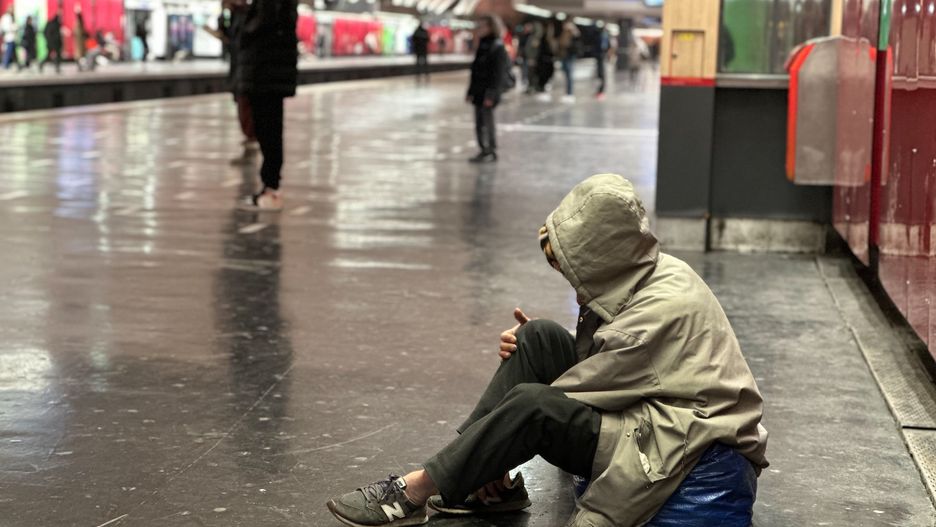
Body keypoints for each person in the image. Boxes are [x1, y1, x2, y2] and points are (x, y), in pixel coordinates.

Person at [325, 174, 769, 527]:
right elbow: (611, 362)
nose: (570, 279)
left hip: (677, 435)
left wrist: (500, 445)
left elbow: (564, 397)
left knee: (531, 407)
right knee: (536, 337)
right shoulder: (646, 270)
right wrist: (493, 444)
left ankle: (413, 492)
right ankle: (477, 481)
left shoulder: (658, 311)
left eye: (572, 268)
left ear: (600, 258)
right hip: (647, 404)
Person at [235, 0, 298, 211]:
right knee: (268, 130)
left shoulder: (269, 8)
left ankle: (271, 189)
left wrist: (242, 15)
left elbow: (261, 25)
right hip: (267, 73)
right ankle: (270, 187)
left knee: (268, 130)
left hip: (265, 73)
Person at [465, 14, 508, 164]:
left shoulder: (497, 47)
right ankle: (483, 149)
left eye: (482, 26)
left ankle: (490, 150)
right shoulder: (482, 45)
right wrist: (470, 92)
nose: (479, 29)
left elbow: (498, 74)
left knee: (486, 122)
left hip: (488, 92)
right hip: (478, 91)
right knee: (479, 123)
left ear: (491, 27)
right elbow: (475, 71)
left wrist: (491, 95)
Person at [551, 17, 580, 103]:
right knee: (566, 73)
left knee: (569, 74)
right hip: (564, 55)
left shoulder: (572, 33)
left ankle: (570, 93)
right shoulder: (565, 33)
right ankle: (568, 93)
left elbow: (567, 44)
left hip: (569, 56)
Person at [1, 7, 21, 71]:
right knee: (9, 52)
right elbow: (7, 27)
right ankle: (5, 64)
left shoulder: (8, 17)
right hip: (9, 37)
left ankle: (16, 64)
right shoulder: (7, 17)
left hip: (11, 37)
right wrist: (15, 27)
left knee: (12, 51)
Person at [595, 24, 610, 99]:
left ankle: (601, 90)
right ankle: (600, 90)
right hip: (600, 55)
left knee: (602, 73)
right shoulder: (601, 36)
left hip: (602, 55)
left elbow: (607, 46)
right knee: (600, 72)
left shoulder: (605, 37)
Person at [73, 6, 87, 71]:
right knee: (79, 54)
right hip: (79, 41)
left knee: (79, 54)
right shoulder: (78, 23)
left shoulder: (77, 23)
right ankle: (79, 66)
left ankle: (79, 66)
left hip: (79, 41)